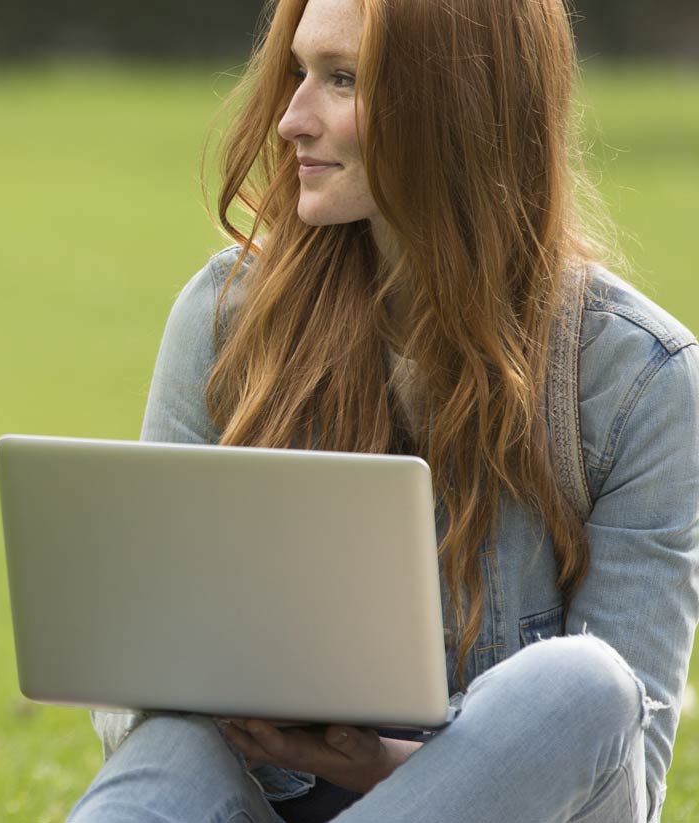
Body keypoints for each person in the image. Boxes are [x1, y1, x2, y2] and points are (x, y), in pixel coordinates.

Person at [65, 0, 699, 821]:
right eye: (298, 73)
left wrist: (388, 765)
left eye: (341, 80)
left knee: (584, 685)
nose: (292, 118)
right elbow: (137, 687)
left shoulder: (640, 382)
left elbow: (617, 779)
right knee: (168, 740)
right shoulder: (225, 316)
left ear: (459, 101)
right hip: (265, 799)